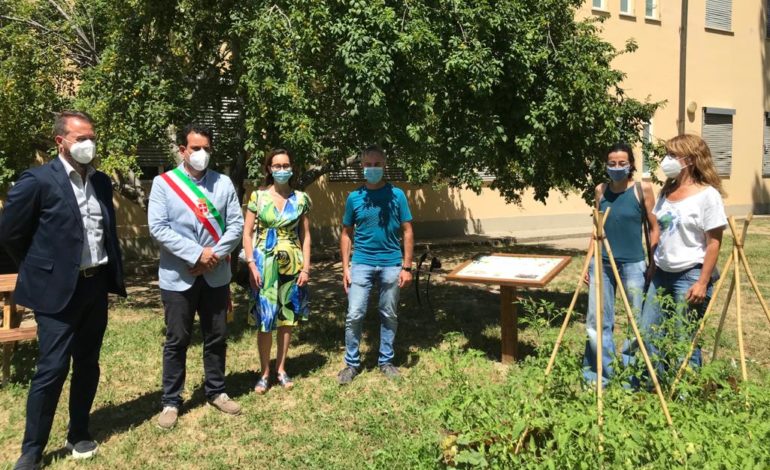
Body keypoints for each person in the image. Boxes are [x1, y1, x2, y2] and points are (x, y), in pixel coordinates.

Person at [0, 111, 126, 469]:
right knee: (51, 369)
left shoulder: (101, 182)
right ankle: (32, 450)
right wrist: (41, 269)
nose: (89, 144)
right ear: (61, 142)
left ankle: (79, 431)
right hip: (56, 293)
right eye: (81, 138)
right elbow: (10, 234)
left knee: (87, 363)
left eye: (92, 137)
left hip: (94, 285)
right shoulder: (37, 181)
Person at [147, 124, 244, 429]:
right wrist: (196, 254)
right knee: (177, 340)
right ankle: (171, 401)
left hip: (216, 275)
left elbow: (236, 225)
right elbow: (158, 228)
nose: (201, 154)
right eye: (195, 148)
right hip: (179, 276)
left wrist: (211, 256)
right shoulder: (164, 184)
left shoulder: (223, 183)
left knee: (216, 336)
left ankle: (216, 390)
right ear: (183, 150)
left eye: (206, 149)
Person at [637, 134, 727, 377]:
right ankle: (654, 385)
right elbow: (659, 230)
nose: (667, 160)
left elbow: (714, 243)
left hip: (690, 275)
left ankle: (686, 396)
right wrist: (653, 263)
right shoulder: (667, 191)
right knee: (649, 333)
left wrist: (702, 282)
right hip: (661, 274)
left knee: (683, 339)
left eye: (673, 155)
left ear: (691, 159)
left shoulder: (708, 196)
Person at [583, 143, 659, 385]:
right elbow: (595, 229)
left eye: (622, 163)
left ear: (631, 165)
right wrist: (588, 263)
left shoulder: (642, 189)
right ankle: (599, 375)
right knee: (597, 322)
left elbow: (655, 227)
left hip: (634, 265)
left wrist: (653, 261)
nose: (617, 168)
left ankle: (631, 376)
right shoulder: (600, 190)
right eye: (612, 163)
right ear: (606, 165)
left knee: (636, 321)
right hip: (602, 265)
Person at [338, 145, 414, 385]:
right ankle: (351, 364)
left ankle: (386, 361)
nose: (372, 169)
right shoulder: (354, 197)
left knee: (389, 314)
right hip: (361, 263)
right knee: (354, 314)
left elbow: (408, 230)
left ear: (384, 166)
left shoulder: (397, 195)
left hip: (392, 263)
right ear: (362, 166)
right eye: (368, 165)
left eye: (377, 164)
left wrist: (407, 266)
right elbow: (346, 233)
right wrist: (346, 267)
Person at [243, 149, 312, 393]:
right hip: (264, 265)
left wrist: (306, 267)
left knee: (286, 318)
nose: (281, 170)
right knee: (265, 320)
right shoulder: (258, 197)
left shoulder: (301, 198)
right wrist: (251, 264)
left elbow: (305, 235)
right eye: (277, 165)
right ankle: (264, 372)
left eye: (286, 165)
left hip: (292, 265)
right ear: (269, 169)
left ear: (292, 168)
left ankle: (281, 368)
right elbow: (247, 233)